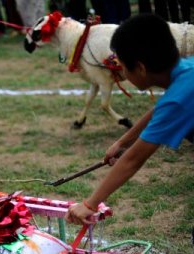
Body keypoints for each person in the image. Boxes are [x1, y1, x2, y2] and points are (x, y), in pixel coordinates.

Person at [66, 14, 193, 230]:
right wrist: (124, 141)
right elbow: (160, 109)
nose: (121, 72)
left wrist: (90, 203)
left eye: (123, 67)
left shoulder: (180, 99)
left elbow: (134, 160)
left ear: (141, 68)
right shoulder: (187, 70)